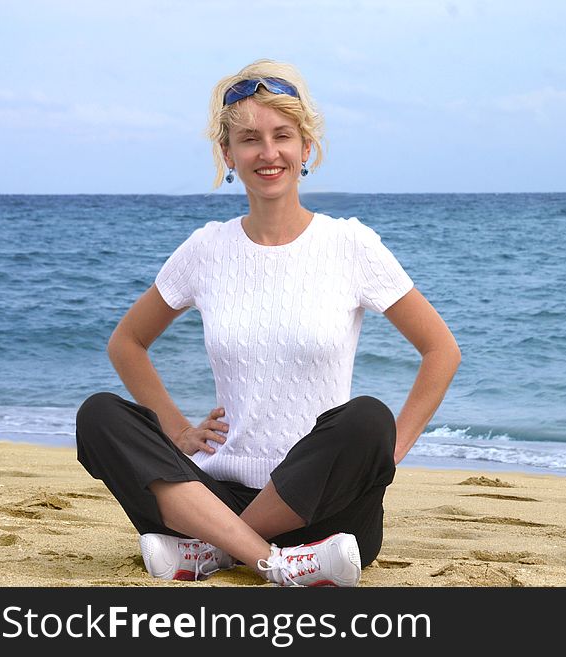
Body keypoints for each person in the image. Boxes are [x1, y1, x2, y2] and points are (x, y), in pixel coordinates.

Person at [74, 59, 461, 587]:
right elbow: (128, 342)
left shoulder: (351, 245)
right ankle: (268, 561)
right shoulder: (206, 249)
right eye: (250, 139)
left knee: (367, 417)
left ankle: (211, 553)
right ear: (228, 154)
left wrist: (385, 458)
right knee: (99, 416)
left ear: (307, 148)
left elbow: (441, 351)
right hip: (213, 495)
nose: (268, 152)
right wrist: (178, 430)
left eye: (283, 136)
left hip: (327, 513)